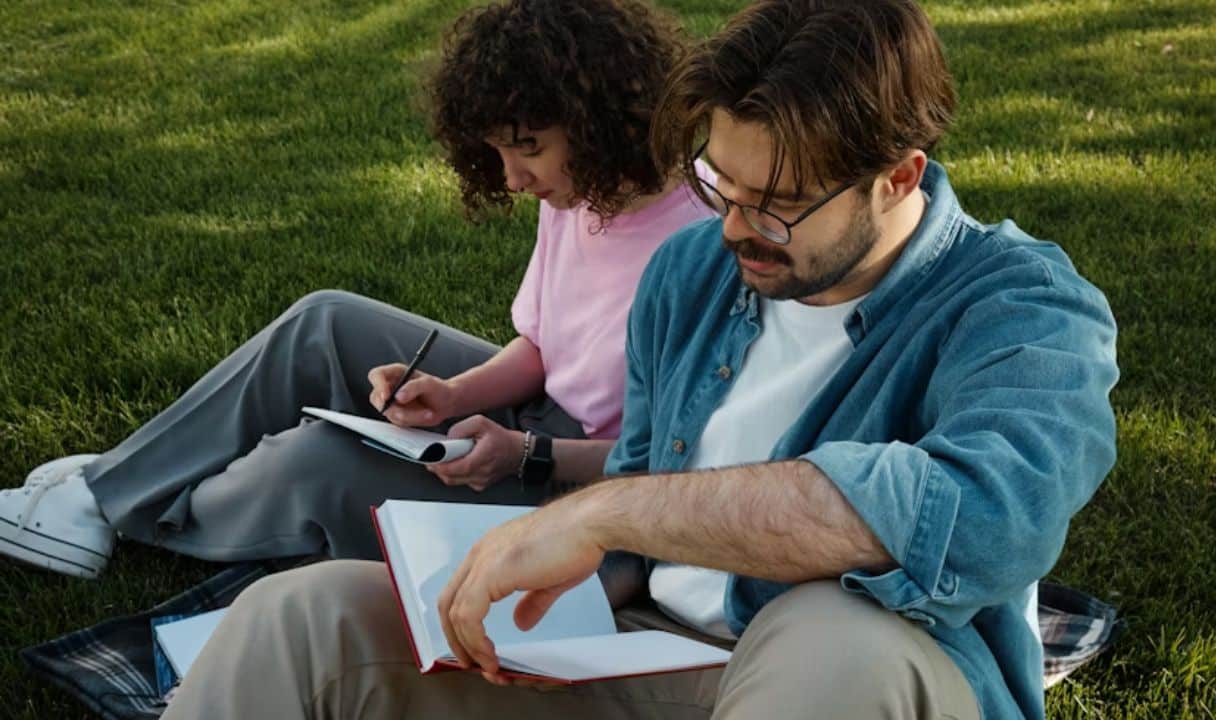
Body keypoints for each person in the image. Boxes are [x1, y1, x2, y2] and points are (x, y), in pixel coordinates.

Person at [160, 1, 1120, 719]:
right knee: (300, 614)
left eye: (775, 202)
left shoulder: (1023, 307)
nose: (734, 228)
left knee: (830, 638)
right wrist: (523, 587)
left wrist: (608, 511)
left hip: (846, 675)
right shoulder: (692, 270)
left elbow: (983, 516)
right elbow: (639, 504)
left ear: (898, 175)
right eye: (719, 182)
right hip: (639, 656)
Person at [0, 0, 708, 588]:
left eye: (527, 149)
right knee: (325, 319)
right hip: (537, 424)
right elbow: (544, 348)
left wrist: (525, 453)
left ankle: (139, 507)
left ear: (598, 121)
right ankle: (106, 491)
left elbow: (675, 460)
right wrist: (454, 396)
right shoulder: (580, 194)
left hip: (596, 495)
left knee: (319, 460)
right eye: (498, 152)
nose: (513, 179)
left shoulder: (701, 246)